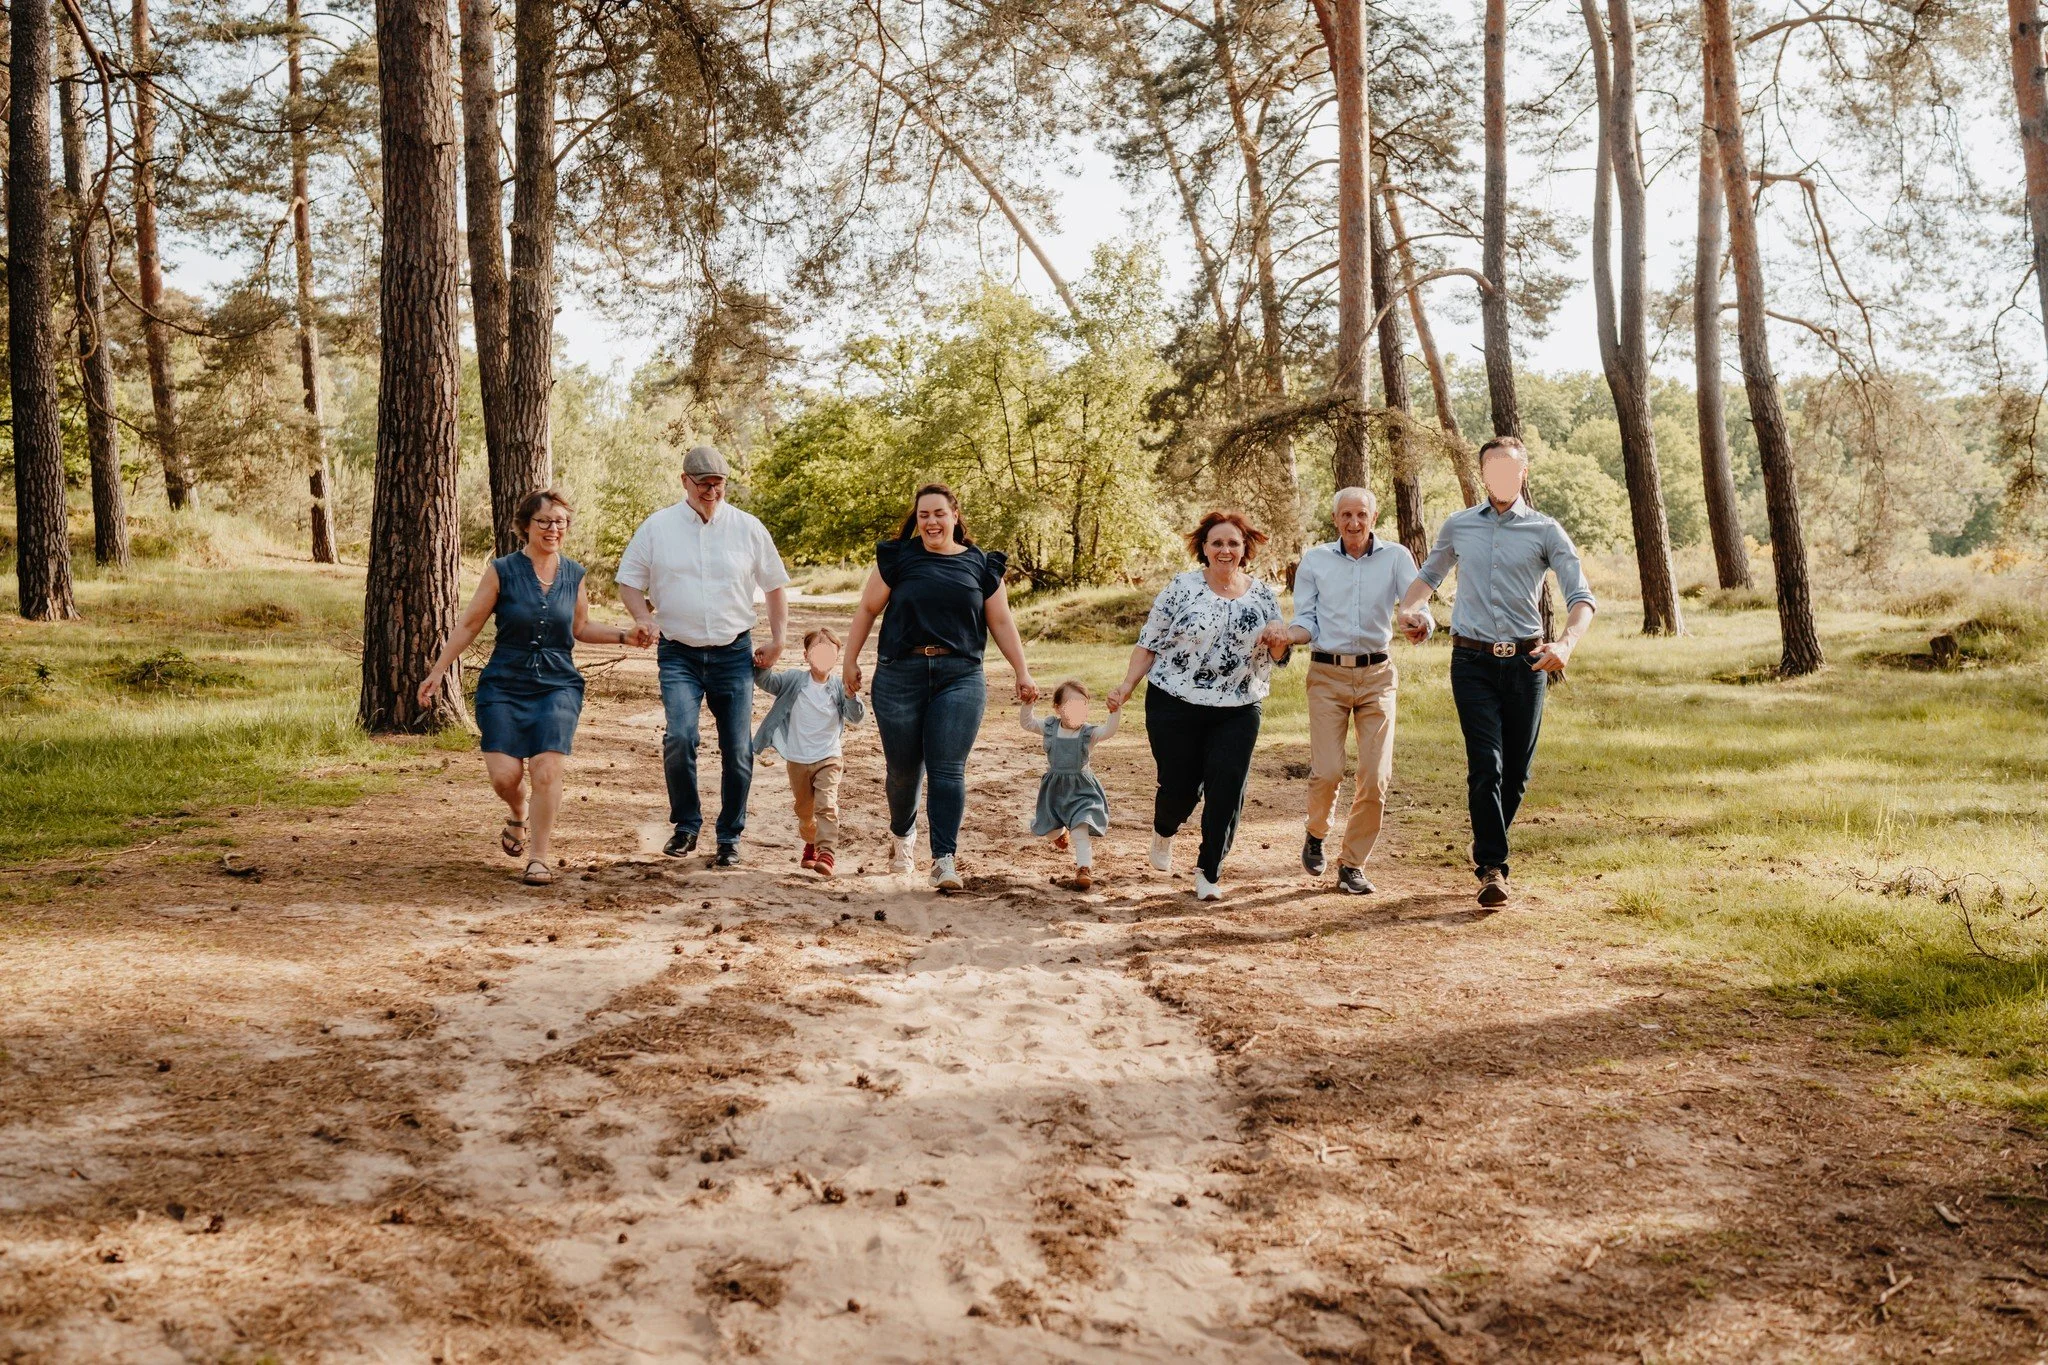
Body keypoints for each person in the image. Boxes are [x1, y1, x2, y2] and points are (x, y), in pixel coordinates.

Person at [1396, 435, 1596, 908]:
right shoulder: (1460, 525)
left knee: (1517, 774)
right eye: (1493, 470)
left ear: (1523, 474)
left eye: (1510, 470)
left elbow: (1582, 599)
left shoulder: (1547, 530)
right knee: (1487, 765)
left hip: (1528, 662)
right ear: (1482, 475)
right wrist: (1411, 611)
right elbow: (1427, 578)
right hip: (1471, 661)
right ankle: (1492, 866)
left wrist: (1566, 644)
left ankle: (1489, 844)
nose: (1501, 478)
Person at [418, 489, 652, 885]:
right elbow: (470, 624)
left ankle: (539, 858)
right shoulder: (502, 570)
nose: (553, 529)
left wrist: (623, 636)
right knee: (505, 777)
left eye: (560, 522)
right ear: (525, 526)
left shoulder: (574, 574)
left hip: (558, 684)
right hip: (504, 685)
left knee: (546, 769)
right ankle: (518, 812)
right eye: (544, 521)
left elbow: (579, 628)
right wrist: (439, 669)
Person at [843, 483, 1039, 891]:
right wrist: (850, 659)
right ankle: (902, 836)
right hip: (900, 674)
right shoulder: (898, 559)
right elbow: (867, 609)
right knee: (902, 771)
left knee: (948, 769)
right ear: (917, 520)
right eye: (923, 515)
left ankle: (944, 858)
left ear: (954, 515)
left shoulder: (982, 566)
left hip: (960, 676)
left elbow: (1001, 623)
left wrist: (1022, 670)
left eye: (938, 513)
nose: (931, 521)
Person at [617, 445, 791, 868]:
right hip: (678, 653)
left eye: (719, 484)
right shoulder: (657, 527)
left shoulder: (748, 528)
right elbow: (628, 581)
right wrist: (643, 617)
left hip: (733, 652)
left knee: (737, 750)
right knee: (679, 738)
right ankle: (686, 826)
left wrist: (779, 638)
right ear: (685, 482)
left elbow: (774, 586)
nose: (712, 491)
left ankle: (729, 836)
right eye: (704, 484)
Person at [1107, 510, 1291, 902]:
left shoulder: (1262, 596)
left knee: (1227, 788)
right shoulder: (1181, 587)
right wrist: (1126, 686)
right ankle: (1165, 828)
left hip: (1239, 705)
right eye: (1217, 543)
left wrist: (1279, 641)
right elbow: (1149, 643)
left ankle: (1209, 870)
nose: (1225, 549)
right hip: (1174, 702)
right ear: (1204, 548)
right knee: (1180, 788)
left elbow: (1277, 654)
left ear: (1245, 550)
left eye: (1233, 543)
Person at [1279, 487, 1428, 896]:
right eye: (1346, 515)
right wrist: (1288, 636)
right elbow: (1306, 618)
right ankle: (1316, 831)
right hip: (1326, 675)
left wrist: (1419, 622)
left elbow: (1416, 603)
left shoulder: (1397, 556)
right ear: (1335, 520)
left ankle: (1352, 864)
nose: (1354, 523)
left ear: (1374, 517)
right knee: (1327, 771)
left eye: (1361, 514)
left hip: (1377, 676)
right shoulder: (1316, 561)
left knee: (1375, 777)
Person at [752, 627, 865, 877]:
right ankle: (811, 841)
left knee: (826, 805)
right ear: (806, 656)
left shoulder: (838, 686)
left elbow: (856, 717)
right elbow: (766, 681)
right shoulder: (794, 681)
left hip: (829, 758)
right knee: (804, 811)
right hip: (798, 760)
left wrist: (851, 694)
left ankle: (827, 853)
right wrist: (763, 663)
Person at [1020, 680, 1120, 891]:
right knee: (1049, 828)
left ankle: (1084, 869)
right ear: (1057, 707)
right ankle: (1058, 834)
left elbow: (1109, 731)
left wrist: (1114, 711)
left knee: (1080, 829)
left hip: (1082, 791)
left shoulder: (1088, 734)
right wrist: (1028, 703)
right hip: (1054, 791)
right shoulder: (1049, 728)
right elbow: (1027, 724)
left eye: (1082, 705)